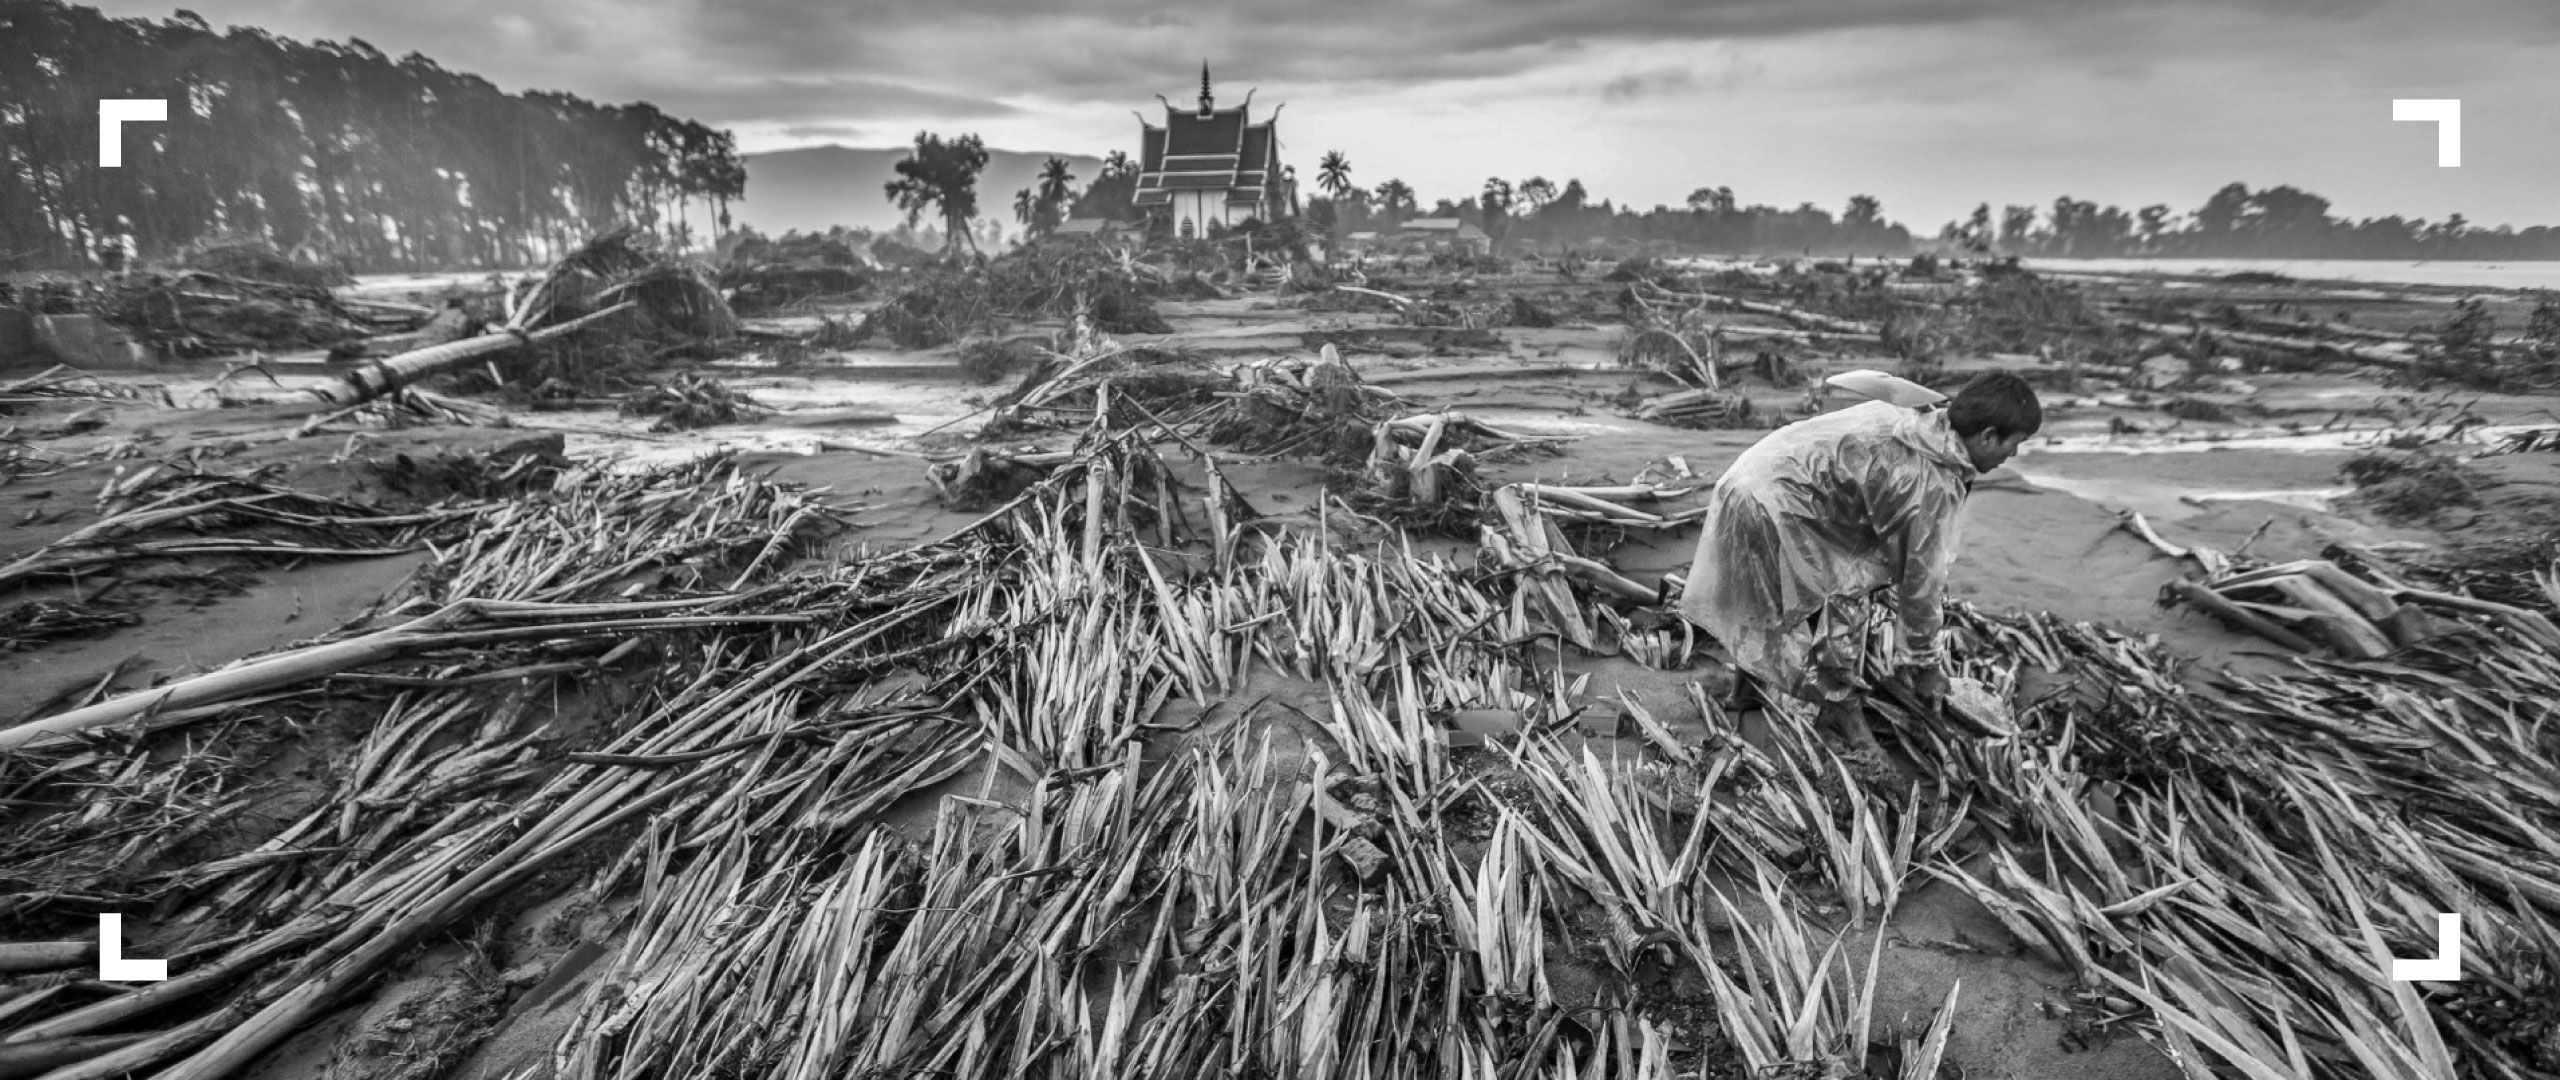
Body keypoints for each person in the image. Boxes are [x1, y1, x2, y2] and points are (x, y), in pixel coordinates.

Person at [1677, 370, 2041, 751]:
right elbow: (1920, 586)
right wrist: (1925, 666)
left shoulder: (1921, 416)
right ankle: (1842, 712)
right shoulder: (1930, 482)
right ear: (1987, 436)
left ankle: (1747, 690)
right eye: (2014, 445)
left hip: (1749, 476)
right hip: (1779, 502)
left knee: (1763, 599)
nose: (2012, 456)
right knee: (1840, 599)